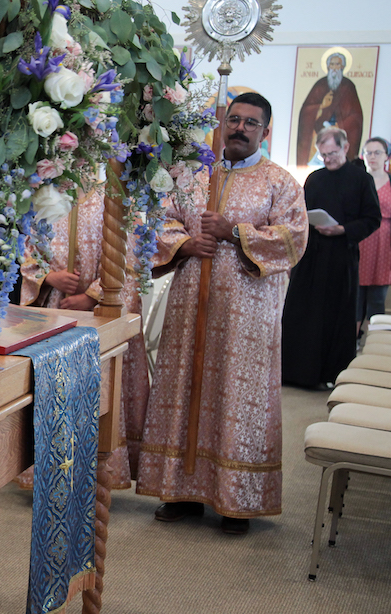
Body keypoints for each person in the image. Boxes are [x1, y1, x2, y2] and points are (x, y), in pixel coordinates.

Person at [136, 92, 308, 535]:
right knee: (184, 387)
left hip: (247, 314)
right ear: (223, 122)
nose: (240, 128)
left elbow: (293, 239)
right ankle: (181, 491)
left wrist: (234, 233)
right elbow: (160, 219)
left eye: (251, 123)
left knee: (236, 395)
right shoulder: (195, 174)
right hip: (190, 304)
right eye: (234, 119)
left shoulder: (280, 182)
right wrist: (185, 243)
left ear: (265, 132)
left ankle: (235, 501)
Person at [20, 186, 149, 488]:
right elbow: (27, 248)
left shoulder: (113, 197)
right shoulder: (45, 195)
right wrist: (48, 277)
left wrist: (92, 296)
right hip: (53, 310)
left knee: (96, 392)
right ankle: (50, 473)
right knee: (56, 391)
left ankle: (92, 473)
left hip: (96, 316)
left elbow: (130, 259)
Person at [282, 128, 381, 388]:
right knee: (301, 313)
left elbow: (372, 219)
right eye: (323, 155)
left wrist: (342, 229)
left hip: (340, 256)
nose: (327, 159)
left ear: (345, 147)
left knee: (334, 317)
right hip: (310, 256)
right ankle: (294, 373)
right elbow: (300, 216)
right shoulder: (314, 179)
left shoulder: (361, 180)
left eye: (332, 153)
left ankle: (329, 375)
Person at [296, 51, 364, 167]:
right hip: (319, 129)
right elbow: (307, 112)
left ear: (343, 67)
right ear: (327, 66)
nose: (334, 68)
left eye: (337, 64)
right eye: (332, 64)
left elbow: (355, 116)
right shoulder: (320, 85)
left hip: (340, 129)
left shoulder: (348, 86)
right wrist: (322, 106)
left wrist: (342, 124)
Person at [357, 137, 391, 337]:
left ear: (387, 156)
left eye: (377, 152)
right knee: (355, 299)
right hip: (359, 243)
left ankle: (373, 343)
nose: (372, 157)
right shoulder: (357, 181)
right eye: (368, 152)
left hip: (384, 246)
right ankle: (352, 343)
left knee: (377, 299)